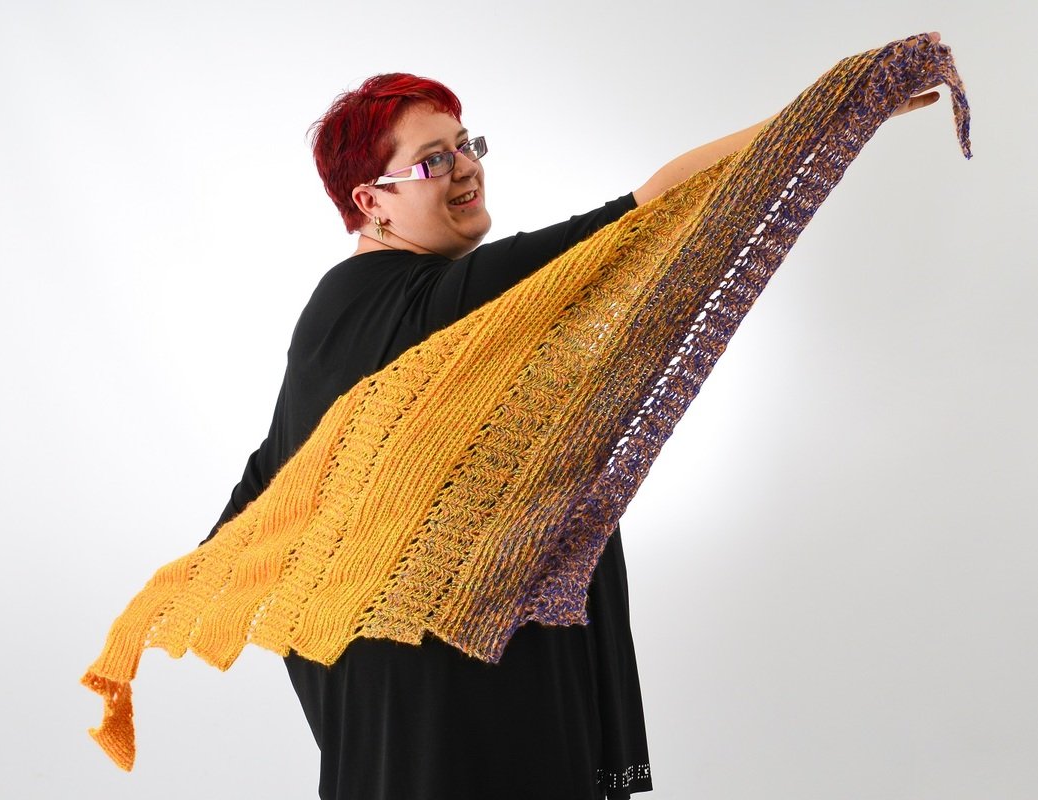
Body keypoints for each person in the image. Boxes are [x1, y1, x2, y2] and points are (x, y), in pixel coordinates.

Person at [202, 37, 944, 800]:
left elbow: (268, 491)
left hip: (399, 673)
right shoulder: (436, 298)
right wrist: (838, 104)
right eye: (433, 161)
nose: (465, 168)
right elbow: (654, 207)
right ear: (371, 201)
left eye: (466, 145)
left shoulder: (338, 313)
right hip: (460, 667)